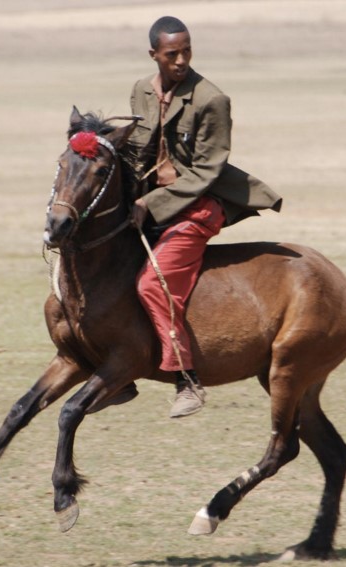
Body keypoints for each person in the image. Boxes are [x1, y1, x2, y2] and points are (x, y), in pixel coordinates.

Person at [122, 16, 282, 418]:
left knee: (153, 284)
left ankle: (186, 378)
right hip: (152, 200)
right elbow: (137, 152)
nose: (180, 60)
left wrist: (150, 206)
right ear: (154, 54)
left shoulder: (211, 99)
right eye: (171, 53)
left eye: (186, 51)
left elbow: (205, 173)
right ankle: (114, 370)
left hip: (201, 203)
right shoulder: (141, 91)